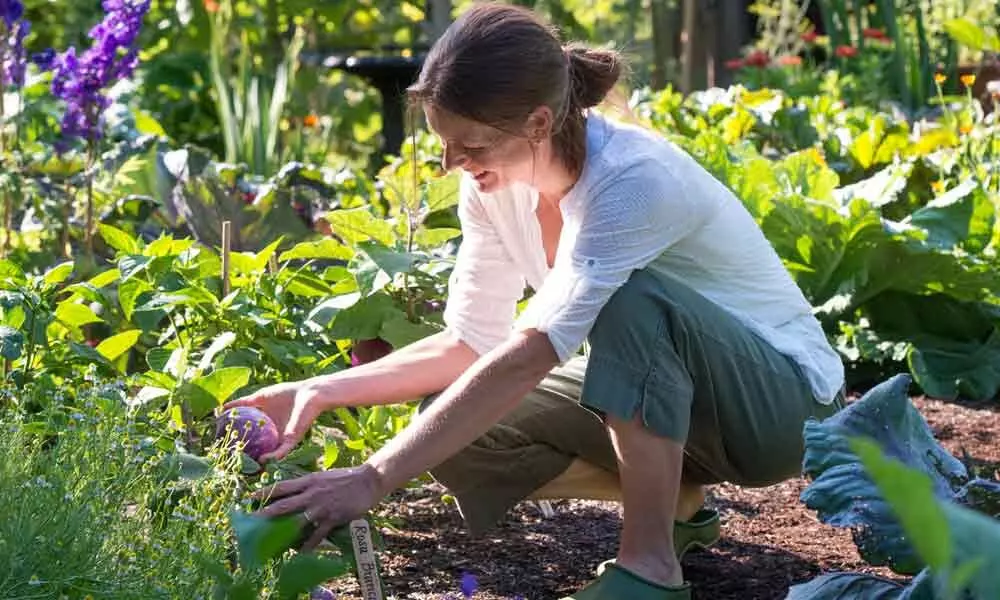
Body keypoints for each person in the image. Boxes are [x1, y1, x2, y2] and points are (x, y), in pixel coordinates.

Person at [223, 3, 846, 598]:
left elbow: (532, 352)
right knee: (455, 429)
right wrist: (319, 390)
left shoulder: (631, 182)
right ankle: (677, 501)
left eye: (469, 145)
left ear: (539, 124)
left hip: (781, 407)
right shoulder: (494, 187)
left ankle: (650, 567)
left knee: (633, 302)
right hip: (679, 406)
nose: (450, 163)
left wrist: (374, 477)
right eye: (444, 142)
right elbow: (469, 343)